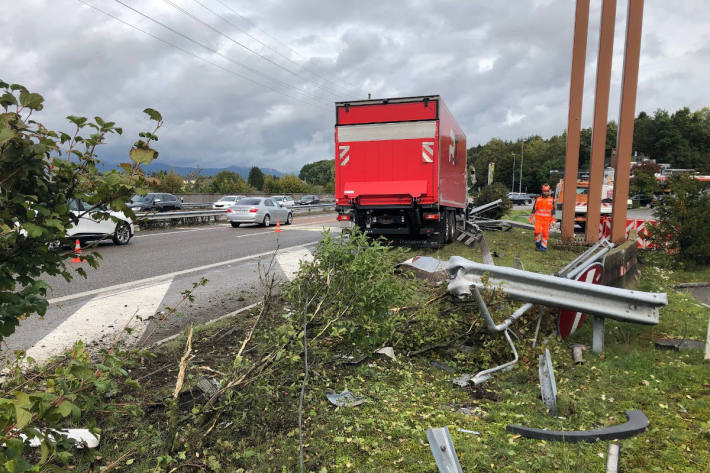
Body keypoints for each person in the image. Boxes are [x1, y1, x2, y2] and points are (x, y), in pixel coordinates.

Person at [529, 184, 556, 252]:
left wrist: (553, 220)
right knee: (537, 231)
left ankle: (543, 247)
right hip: (538, 219)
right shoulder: (538, 199)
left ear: (549, 191)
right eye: (544, 191)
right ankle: (538, 242)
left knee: (545, 233)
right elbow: (534, 209)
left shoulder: (551, 199)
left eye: (547, 191)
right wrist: (531, 218)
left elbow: (553, 211)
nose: (545, 192)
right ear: (542, 191)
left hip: (547, 221)